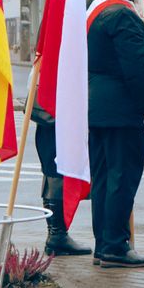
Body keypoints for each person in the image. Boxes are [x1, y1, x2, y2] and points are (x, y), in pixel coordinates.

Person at [86, 0, 144, 268]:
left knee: (104, 178)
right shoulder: (121, 14)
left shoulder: (92, 9)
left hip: (97, 106)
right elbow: (137, 66)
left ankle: (104, 244)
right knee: (122, 178)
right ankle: (116, 246)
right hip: (122, 108)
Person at [32, 100, 92, 256]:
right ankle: (57, 235)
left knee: (52, 175)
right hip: (57, 118)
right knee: (56, 176)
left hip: (54, 119)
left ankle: (56, 234)